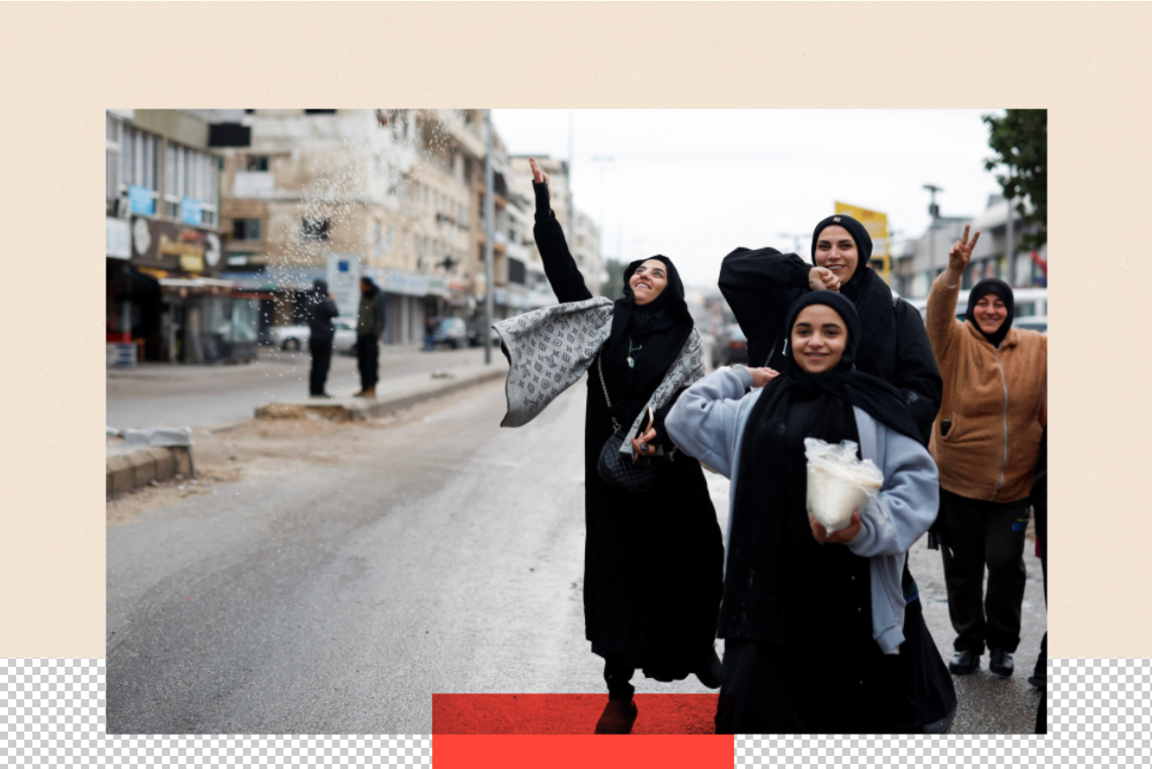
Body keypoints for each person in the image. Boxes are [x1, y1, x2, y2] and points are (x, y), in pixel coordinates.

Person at [493, 158, 724, 735]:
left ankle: (698, 648)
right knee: (619, 575)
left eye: (656, 272)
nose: (644, 276)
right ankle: (619, 692)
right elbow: (561, 271)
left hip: (670, 470)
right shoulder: (604, 319)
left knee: (697, 553)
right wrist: (545, 206)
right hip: (615, 472)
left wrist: (662, 430)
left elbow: (693, 397)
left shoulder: (688, 338)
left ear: (670, 286)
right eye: (638, 270)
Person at [718, 214, 955, 732]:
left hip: (861, 485)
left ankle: (910, 705)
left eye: (845, 246)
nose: (833, 255)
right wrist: (799, 275)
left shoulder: (894, 312)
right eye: (823, 246)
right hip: (781, 474)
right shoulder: (785, 301)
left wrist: (878, 439)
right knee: (781, 598)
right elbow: (734, 271)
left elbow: (924, 388)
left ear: (863, 253)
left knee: (874, 596)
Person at [665, 291, 938, 734]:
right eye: (803, 331)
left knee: (833, 727)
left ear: (849, 339)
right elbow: (683, 416)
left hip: (841, 605)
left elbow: (917, 490)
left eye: (831, 331)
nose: (816, 341)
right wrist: (742, 375)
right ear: (788, 338)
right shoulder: (754, 408)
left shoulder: (874, 408)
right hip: (760, 602)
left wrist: (862, 529)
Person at [925, 225, 1048, 678]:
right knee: (963, 568)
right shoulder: (953, 342)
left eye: (999, 304)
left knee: (1004, 564)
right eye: (982, 302)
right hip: (956, 480)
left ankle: (1002, 644)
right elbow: (937, 314)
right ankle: (967, 643)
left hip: (1013, 486)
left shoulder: (1036, 347)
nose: (990, 310)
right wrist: (954, 272)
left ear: (1010, 310)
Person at [306, 279, 339, 398]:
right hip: (324, 338)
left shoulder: (310, 301)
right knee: (323, 365)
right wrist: (332, 300)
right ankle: (319, 390)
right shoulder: (323, 301)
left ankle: (313, 390)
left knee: (315, 365)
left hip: (313, 337)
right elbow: (335, 312)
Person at [354, 276, 386, 398]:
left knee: (371, 363)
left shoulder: (378, 297)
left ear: (368, 286)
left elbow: (381, 318)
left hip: (371, 335)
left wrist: (376, 333)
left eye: (362, 285)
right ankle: (364, 388)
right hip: (361, 334)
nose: (360, 288)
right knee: (361, 363)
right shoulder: (363, 296)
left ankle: (371, 388)